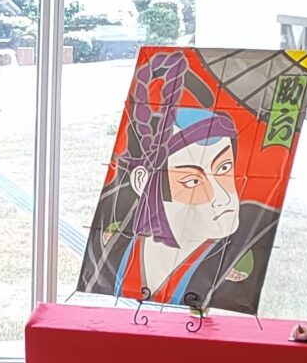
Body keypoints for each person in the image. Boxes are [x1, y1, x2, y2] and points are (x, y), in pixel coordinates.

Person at [83, 50, 248, 306]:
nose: (222, 197)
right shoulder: (114, 247)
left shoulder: (246, 244)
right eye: (192, 181)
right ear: (143, 182)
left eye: (224, 168)